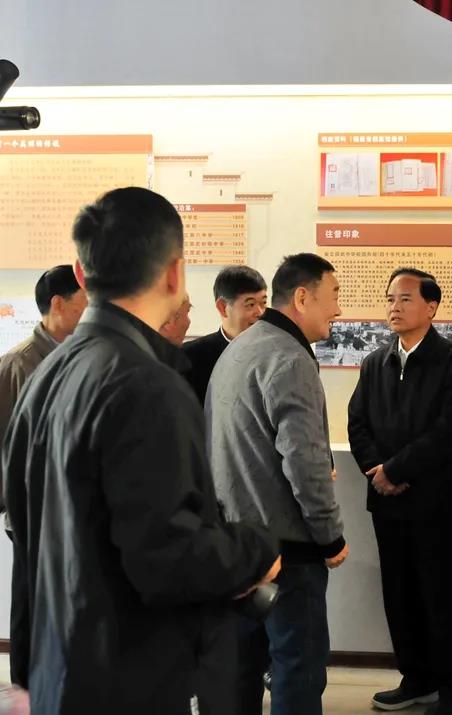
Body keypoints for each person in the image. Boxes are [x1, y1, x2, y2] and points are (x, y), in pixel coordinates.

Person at [1, 187, 281, 715]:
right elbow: (166, 555)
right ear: (175, 274)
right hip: (129, 679)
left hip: (62, 671)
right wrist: (256, 549)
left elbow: (29, 540)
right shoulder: (147, 384)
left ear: (82, 275)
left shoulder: (46, 376)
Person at [207, 253, 348, 715]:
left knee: (242, 667)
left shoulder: (239, 348)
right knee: (297, 668)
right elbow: (305, 461)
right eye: (334, 295)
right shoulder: (289, 357)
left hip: (237, 542)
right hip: (287, 549)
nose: (339, 309)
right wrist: (330, 537)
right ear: (302, 297)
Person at [348, 268, 452, 715]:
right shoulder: (375, 362)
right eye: (390, 298)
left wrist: (397, 469)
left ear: (431, 306)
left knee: (444, 598)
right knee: (399, 596)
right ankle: (416, 679)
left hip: (438, 505)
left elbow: (451, 431)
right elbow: (357, 423)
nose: (394, 306)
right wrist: (377, 471)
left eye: (405, 298)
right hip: (388, 503)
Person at [0, 265, 86, 509]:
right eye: (87, 301)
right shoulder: (19, 364)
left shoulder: (85, 355)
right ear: (58, 304)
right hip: (34, 506)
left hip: (73, 503)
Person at [184, 265, 268, 404]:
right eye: (251, 304)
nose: (260, 313)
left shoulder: (275, 354)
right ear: (222, 307)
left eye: (263, 303)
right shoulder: (191, 357)